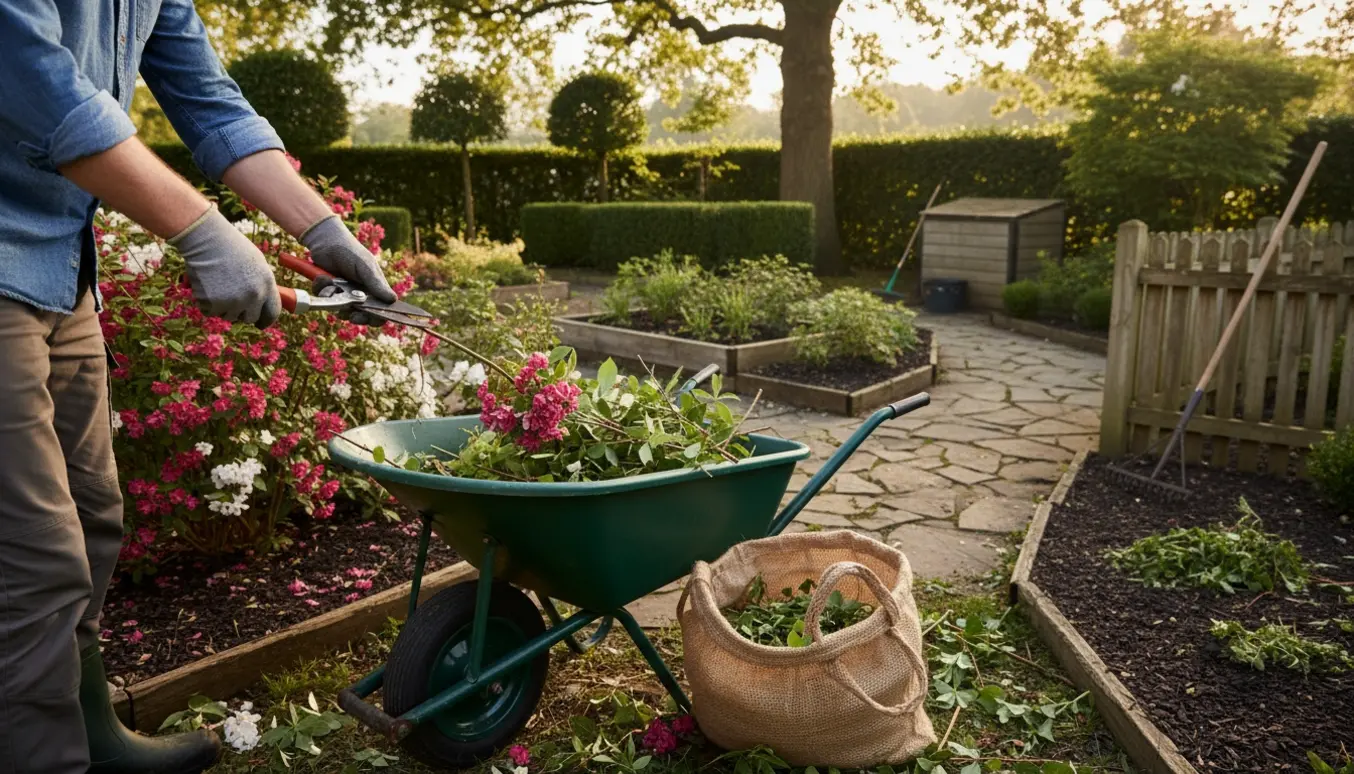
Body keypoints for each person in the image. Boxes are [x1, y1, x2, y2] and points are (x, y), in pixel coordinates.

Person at [0, 2, 395, 772]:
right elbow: (40, 85)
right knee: (29, 562)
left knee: (88, 519)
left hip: (57, 268)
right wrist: (202, 228)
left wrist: (320, 230)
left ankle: (88, 735)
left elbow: (208, 100)